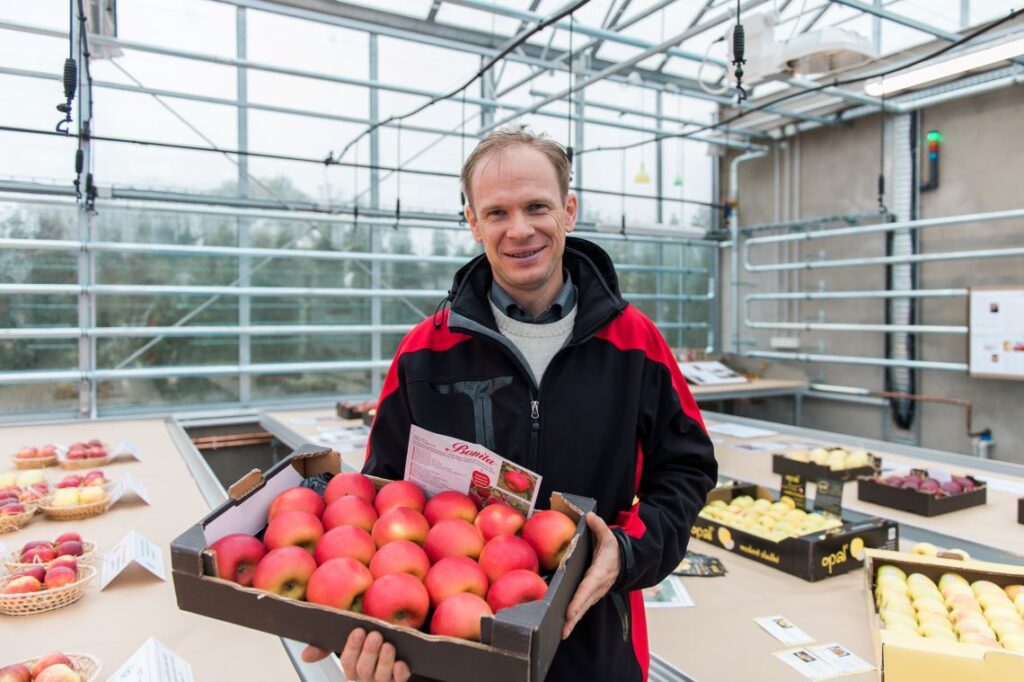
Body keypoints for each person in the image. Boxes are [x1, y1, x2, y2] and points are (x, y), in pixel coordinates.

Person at [303, 128, 717, 681]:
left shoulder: (634, 342)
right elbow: (381, 496)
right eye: (496, 213)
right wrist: (364, 623)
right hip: (451, 653)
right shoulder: (424, 354)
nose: (520, 230)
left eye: (537, 206)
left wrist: (630, 550)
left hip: (591, 647)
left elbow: (686, 467)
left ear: (569, 211)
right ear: (473, 222)